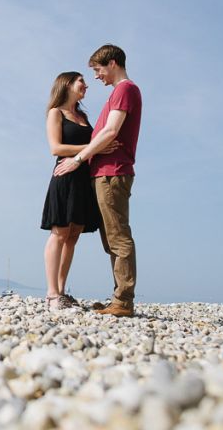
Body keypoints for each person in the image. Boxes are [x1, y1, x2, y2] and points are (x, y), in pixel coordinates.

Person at [54, 44, 142, 317]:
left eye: (98, 69)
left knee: (118, 238)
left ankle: (124, 301)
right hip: (104, 173)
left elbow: (111, 132)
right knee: (111, 239)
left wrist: (78, 159)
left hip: (113, 172)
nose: (95, 77)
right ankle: (119, 297)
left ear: (112, 63)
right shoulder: (117, 93)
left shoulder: (125, 90)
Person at [41, 72, 117, 310]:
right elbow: (56, 148)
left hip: (84, 179)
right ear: (67, 84)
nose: (86, 85)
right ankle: (52, 294)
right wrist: (93, 148)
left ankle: (62, 290)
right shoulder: (56, 113)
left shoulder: (83, 116)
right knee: (60, 233)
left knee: (73, 236)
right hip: (65, 175)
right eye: (81, 81)